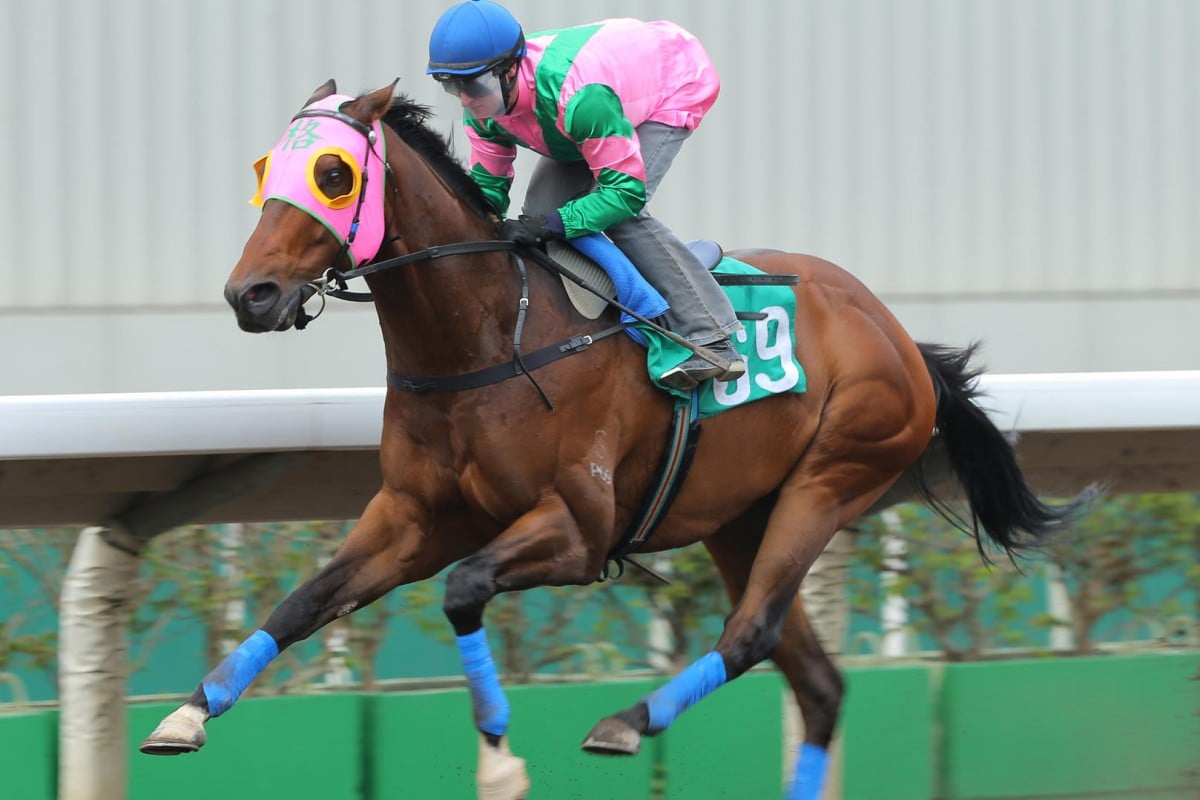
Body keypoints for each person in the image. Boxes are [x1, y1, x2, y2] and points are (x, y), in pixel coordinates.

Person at [427, 0, 746, 391]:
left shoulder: (579, 98)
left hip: (673, 83)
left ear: (510, 70)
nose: (464, 99)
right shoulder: (482, 107)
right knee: (541, 212)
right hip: (588, 111)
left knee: (615, 213)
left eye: (473, 85)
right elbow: (487, 191)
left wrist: (555, 224)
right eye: (452, 86)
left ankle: (710, 334)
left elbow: (623, 194)